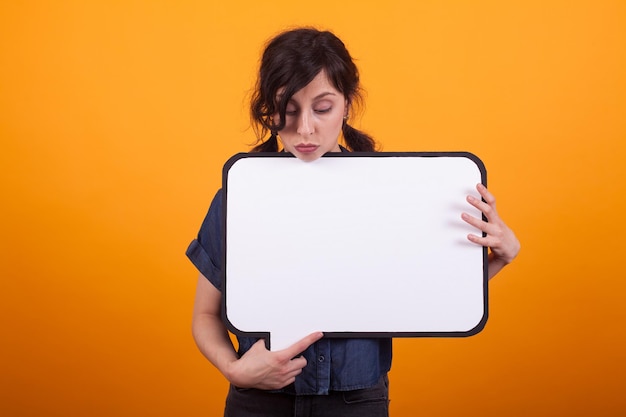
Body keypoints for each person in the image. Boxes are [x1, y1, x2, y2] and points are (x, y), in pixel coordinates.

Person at [187, 27, 520, 417]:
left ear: (347, 105)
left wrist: (500, 257)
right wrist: (235, 371)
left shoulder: (391, 193)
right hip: (259, 401)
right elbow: (205, 314)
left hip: (356, 401)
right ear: (269, 108)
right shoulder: (240, 195)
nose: (305, 128)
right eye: (288, 109)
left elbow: (423, 295)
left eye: (322, 108)